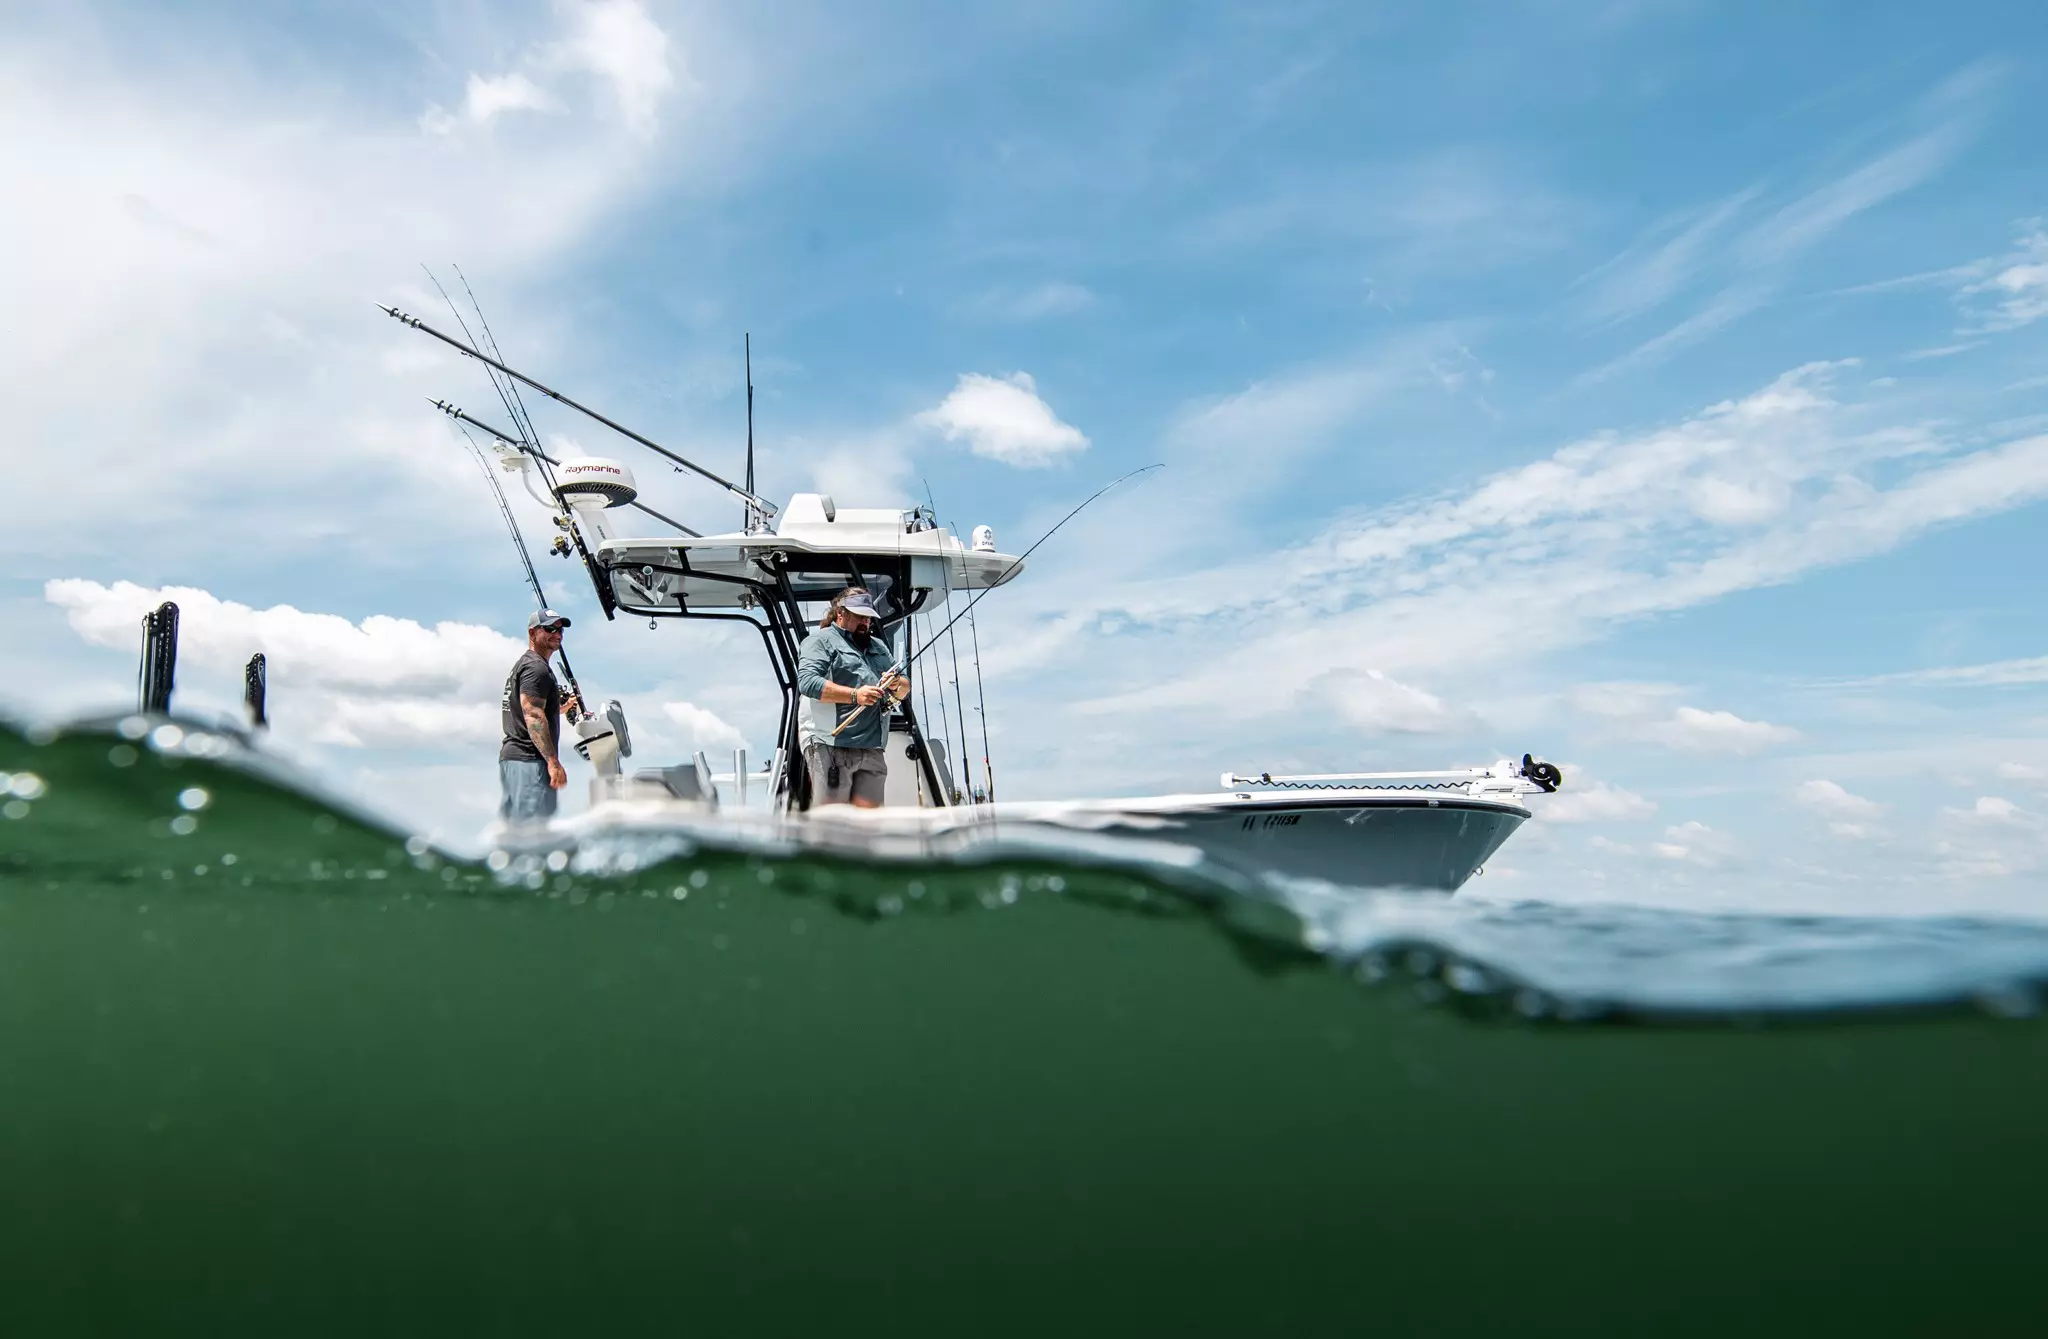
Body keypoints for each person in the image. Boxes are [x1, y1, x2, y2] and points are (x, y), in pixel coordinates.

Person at [796, 587, 909, 807]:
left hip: (873, 750)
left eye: (868, 617)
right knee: (834, 829)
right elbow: (808, 682)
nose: (865, 622)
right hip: (830, 746)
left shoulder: (877, 646)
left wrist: (895, 683)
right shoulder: (820, 641)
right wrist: (856, 695)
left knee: (870, 829)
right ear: (841, 613)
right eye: (859, 616)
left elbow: (904, 688)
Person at [499, 609, 579, 823]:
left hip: (520, 761)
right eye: (550, 628)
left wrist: (561, 708)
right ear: (532, 633)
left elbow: (529, 710)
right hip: (528, 761)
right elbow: (533, 715)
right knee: (531, 830)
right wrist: (553, 763)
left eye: (560, 629)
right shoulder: (536, 669)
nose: (557, 634)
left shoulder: (528, 665)